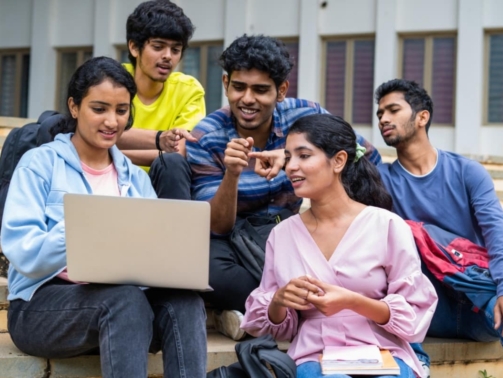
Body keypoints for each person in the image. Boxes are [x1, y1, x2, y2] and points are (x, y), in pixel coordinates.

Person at [1, 57, 207, 378]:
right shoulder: (39, 164)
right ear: (74, 107)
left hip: (120, 312)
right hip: (40, 309)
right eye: (99, 109)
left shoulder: (135, 179)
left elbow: (149, 262)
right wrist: (84, 227)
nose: (112, 121)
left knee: (185, 302)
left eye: (121, 111)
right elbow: (25, 256)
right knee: (124, 301)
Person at [186, 34, 382, 340]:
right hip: (232, 237)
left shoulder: (305, 116)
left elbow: (365, 154)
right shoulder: (207, 136)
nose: (247, 99)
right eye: (238, 87)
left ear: (282, 91)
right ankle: (276, 310)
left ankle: (253, 314)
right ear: (226, 84)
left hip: (294, 229)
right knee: (206, 271)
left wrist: (293, 155)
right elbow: (217, 226)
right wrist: (232, 175)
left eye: (261, 90)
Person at [240, 113, 437, 378]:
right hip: (314, 354)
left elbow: (414, 315)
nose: (291, 167)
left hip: (382, 351)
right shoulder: (282, 234)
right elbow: (278, 328)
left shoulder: (387, 225)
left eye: (304, 156)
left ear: (339, 161)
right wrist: (279, 301)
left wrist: (352, 301)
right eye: (288, 157)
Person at [375, 79, 503, 375]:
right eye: (380, 113)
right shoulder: (380, 180)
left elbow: (497, 237)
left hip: (477, 302)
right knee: (402, 235)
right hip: (425, 311)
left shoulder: (467, 172)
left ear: (422, 117)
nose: (383, 119)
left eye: (393, 110)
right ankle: (415, 364)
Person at [118, 0, 205, 199]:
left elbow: (178, 153)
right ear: (134, 47)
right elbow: (87, 133)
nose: (168, 57)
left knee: (172, 164)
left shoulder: (188, 90)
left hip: (159, 185)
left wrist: (111, 155)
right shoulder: (111, 81)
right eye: (158, 47)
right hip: (109, 177)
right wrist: (159, 142)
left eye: (175, 50)